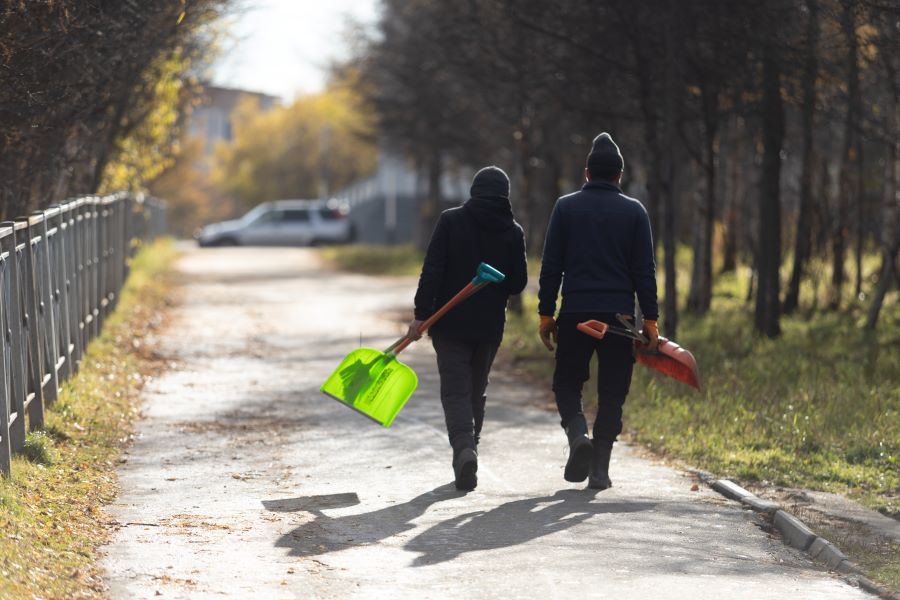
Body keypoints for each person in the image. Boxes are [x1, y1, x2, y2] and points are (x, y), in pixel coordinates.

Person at [537, 132, 659, 490]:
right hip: (619, 320)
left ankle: (578, 437)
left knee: (566, 384)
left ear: (587, 172)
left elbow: (551, 266)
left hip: (576, 314)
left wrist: (546, 313)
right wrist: (649, 319)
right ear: (619, 175)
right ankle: (600, 469)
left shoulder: (565, 207)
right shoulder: (635, 211)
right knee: (612, 392)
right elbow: (644, 272)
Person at [407, 166, 528, 491]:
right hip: (489, 326)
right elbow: (518, 284)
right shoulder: (513, 231)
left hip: (448, 324)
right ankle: (470, 446)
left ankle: (464, 449)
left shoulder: (451, 220)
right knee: (476, 389)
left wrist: (421, 314)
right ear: (505, 195)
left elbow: (432, 269)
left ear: (474, 191)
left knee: (455, 390)